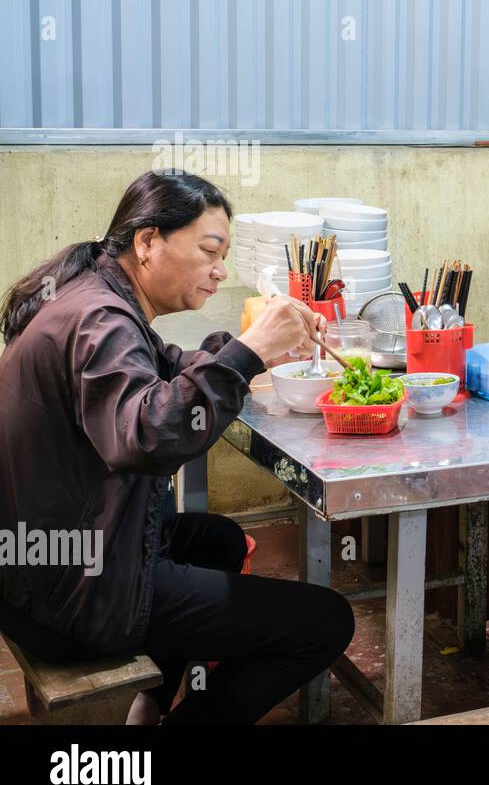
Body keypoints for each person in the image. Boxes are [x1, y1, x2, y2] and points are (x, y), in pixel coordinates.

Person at [0, 170, 355, 724]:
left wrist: (251, 351)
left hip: (47, 563)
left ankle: (151, 703)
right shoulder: (101, 319)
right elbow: (148, 436)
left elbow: (164, 369)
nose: (221, 271)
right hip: (74, 595)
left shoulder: (94, 294)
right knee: (326, 621)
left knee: (221, 541)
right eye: (210, 251)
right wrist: (245, 355)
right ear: (147, 242)